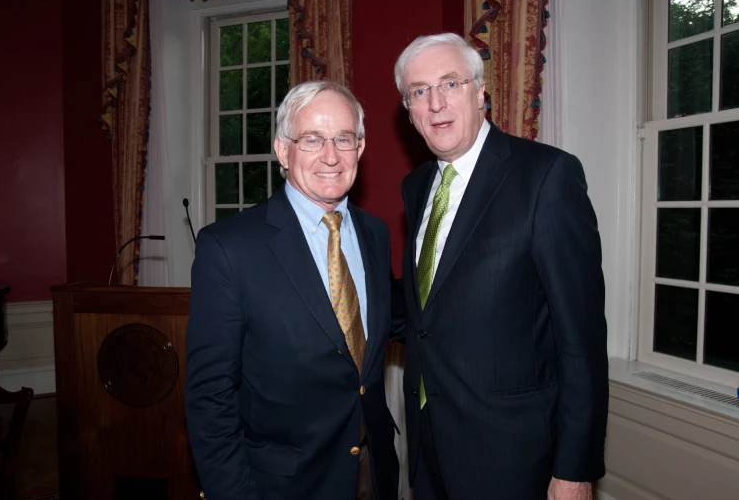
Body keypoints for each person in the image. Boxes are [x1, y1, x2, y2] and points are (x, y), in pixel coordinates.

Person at [393, 33, 609, 500]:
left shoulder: (547, 177)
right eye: (419, 91)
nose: (435, 103)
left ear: (480, 91)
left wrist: (574, 470)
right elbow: (428, 307)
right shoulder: (415, 187)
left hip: (514, 457)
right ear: (408, 110)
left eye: (450, 83)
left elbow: (582, 340)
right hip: (428, 444)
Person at [185, 80, 402, 500]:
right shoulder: (228, 248)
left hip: (373, 472)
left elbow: (379, 325)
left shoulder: (374, 234)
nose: (331, 156)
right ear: (283, 150)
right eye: (312, 139)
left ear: (360, 147)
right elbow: (210, 398)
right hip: (283, 485)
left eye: (343, 138)